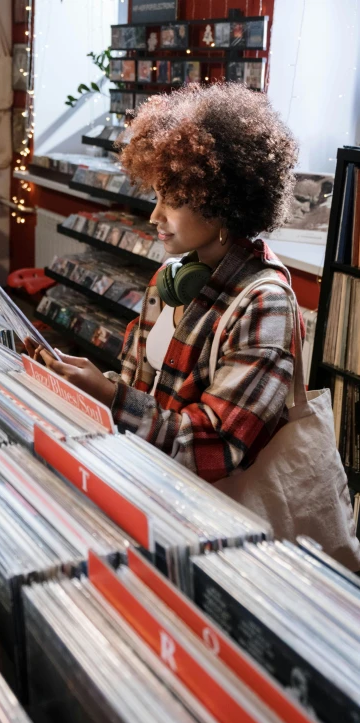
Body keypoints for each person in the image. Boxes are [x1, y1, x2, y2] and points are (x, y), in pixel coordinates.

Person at [26, 83, 301, 484]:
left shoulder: (264, 304)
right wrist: (80, 382)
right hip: (143, 481)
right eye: (156, 197)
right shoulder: (167, 281)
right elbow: (140, 394)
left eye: (172, 200)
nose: (154, 216)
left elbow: (216, 444)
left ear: (221, 199)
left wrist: (109, 398)